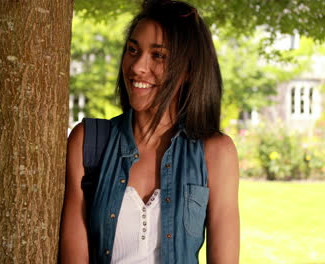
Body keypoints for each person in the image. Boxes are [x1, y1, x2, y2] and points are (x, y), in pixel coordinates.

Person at [59, 0, 240, 263]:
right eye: (133, 50)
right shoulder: (89, 142)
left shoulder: (215, 153)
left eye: (158, 55)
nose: (136, 67)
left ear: (189, 69)